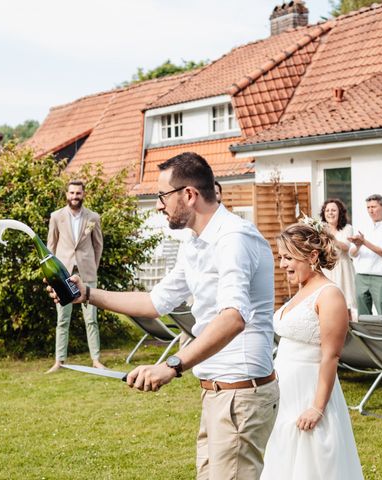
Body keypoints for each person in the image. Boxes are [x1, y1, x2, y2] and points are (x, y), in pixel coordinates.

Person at [47, 152, 278, 479]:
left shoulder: (233, 239)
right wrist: (86, 294)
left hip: (240, 394)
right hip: (216, 393)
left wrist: (172, 366)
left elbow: (233, 317)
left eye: (162, 196)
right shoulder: (196, 243)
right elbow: (155, 302)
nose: (158, 205)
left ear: (189, 195)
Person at [261, 221, 363, 480]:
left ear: (312, 255)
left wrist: (317, 407)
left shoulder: (329, 295)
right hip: (284, 390)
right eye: (280, 258)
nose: (282, 265)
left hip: (310, 391)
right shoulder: (300, 292)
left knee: (313, 462)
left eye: (288, 258)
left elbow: (331, 355)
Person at [46, 180, 104, 373]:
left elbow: (98, 245)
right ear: (66, 195)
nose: (74, 196)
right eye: (71, 193)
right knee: (62, 320)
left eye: (78, 193)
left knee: (91, 319)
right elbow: (51, 247)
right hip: (63, 273)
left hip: (87, 273)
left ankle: (96, 360)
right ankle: (59, 361)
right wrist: (52, 273)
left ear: (83, 194)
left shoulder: (93, 217)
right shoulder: (56, 217)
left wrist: (92, 267)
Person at [348, 194, 382, 322]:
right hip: (361, 276)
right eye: (368, 207)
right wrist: (358, 245)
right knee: (363, 317)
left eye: (374, 206)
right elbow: (352, 254)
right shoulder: (362, 225)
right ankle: (366, 341)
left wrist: (364, 241)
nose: (371, 210)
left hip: (380, 277)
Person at [319, 198, 356, 317]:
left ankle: (349, 332)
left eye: (333, 210)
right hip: (327, 269)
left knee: (346, 305)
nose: (330, 213)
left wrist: (332, 238)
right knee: (326, 303)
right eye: (327, 210)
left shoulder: (347, 228)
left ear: (340, 212)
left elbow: (346, 247)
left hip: (343, 269)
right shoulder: (320, 228)